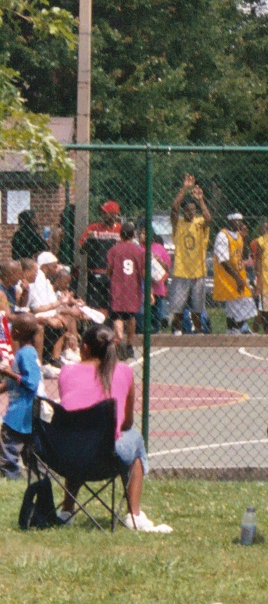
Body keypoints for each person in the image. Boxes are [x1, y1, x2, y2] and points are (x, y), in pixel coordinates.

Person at [56, 323, 172, 532]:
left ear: (86, 349)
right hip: (106, 456)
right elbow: (126, 423)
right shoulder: (124, 372)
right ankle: (134, 515)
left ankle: (67, 509)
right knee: (135, 438)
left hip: (67, 455)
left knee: (81, 435)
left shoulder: (66, 371)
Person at [167, 175, 212, 334]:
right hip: (181, 269)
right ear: (184, 211)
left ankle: (198, 331)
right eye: (188, 209)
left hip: (198, 270)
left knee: (198, 306)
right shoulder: (179, 224)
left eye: (193, 210)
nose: (191, 212)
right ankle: (177, 331)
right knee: (178, 305)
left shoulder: (199, 223)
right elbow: (173, 207)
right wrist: (185, 188)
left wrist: (200, 200)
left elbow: (208, 218)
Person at [0, 314, 41, 479]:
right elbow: (14, 382)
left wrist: (9, 373)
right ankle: (36, 476)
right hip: (22, 412)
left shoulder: (27, 353)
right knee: (29, 449)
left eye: (12, 327)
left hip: (21, 412)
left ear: (16, 332)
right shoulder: (24, 352)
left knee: (8, 447)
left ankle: (13, 476)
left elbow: (31, 383)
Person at [106, 222, 146, 355]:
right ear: (133, 235)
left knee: (117, 315)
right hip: (132, 288)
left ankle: (120, 338)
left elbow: (110, 269)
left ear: (120, 234)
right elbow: (143, 272)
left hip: (117, 287)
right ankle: (129, 344)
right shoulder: (138, 251)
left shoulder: (114, 250)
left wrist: (111, 274)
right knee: (130, 317)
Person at [212, 213, 256, 333]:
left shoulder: (239, 235)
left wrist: (245, 238)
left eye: (241, 221)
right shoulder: (222, 235)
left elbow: (244, 255)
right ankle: (241, 327)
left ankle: (233, 329)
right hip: (228, 277)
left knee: (234, 306)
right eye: (237, 221)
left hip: (239, 275)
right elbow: (223, 261)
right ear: (230, 221)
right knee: (242, 302)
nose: (240, 223)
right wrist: (237, 278)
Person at [79, 200, 123, 310]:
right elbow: (81, 250)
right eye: (102, 213)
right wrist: (89, 240)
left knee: (114, 305)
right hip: (96, 271)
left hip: (116, 273)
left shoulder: (121, 229)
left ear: (114, 214)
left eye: (105, 213)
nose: (102, 215)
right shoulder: (93, 228)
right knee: (95, 304)